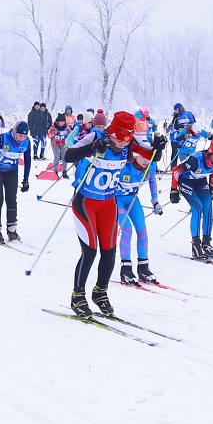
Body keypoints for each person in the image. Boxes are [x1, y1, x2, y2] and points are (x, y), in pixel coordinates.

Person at [64, 110, 149, 317]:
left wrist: (160, 146)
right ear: (111, 132)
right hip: (85, 203)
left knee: (110, 251)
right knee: (90, 251)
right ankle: (78, 295)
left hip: (109, 204)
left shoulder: (130, 143)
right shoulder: (96, 136)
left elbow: (149, 154)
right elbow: (68, 155)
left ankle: (100, 292)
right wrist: (91, 149)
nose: (121, 145)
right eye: (117, 140)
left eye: (125, 141)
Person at [117, 129, 166, 284]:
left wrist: (155, 201)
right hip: (116, 200)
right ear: (135, 155)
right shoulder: (125, 166)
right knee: (127, 229)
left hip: (132, 199)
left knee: (142, 230)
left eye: (149, 158)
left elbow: (152, 181)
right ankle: (126, 269)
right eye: (143, 157)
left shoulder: (149, 167)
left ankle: (143, 268)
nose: (146, 161)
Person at [171, 136, 213, 258]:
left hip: (200, 181)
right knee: (198, 208)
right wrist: (174, 190)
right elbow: (176, 171)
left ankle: (206, 243)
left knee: (208, 207)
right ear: (210, 153)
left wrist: (212, 189)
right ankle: (195, 245)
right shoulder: (195, 160)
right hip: (186, 181)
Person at [0, 120, 32, 242]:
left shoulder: (27, 142)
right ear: (15, 132)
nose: (22, 138)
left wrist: (26, 179)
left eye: (24, 136)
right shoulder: (3, 139)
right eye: (20, 135)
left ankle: (12, 230)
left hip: (11, 171)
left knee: (11, 200)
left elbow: (28, 160)